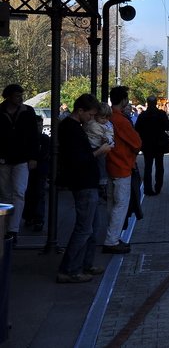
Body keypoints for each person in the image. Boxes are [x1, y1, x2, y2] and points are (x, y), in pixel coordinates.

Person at [57, 93, 111, 283]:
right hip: (83, 182)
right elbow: (78, 159)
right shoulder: (71, 129)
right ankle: (70, 269)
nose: (91, 119)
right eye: (89, 115)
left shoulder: (74, 127)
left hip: (88, 181)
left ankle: (85, 263)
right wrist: (99, 152)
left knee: (92, 227)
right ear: (80, 111)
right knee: (84, 228)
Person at [0, 84, 39, 244]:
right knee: (10, 193)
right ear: (8, 97)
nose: (21, 98)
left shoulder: (27, 112)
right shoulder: (26, 112)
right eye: (18, 96)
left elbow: (33, 136)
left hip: (18, 158)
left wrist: (32, 156)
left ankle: (12, 228)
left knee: (15, 193)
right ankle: (9, 228)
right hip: (9, 157)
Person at [105, 86, 141, 254]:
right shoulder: (121, 120)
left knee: (112, 204)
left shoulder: (106, 118)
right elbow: (136, 142)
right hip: (122, 166)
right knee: (121, 204)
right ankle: (112, 240)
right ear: (124, 100)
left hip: (110, 165)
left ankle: (111, 236)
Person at [135, 96, 169, 196]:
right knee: (159, 166)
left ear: (147, 103)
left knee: (148, 167)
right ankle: (158, 186)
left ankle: (147, 189)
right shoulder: (161, 114)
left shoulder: (143, 115)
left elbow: (137, 129)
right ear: (156, 103)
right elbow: (167, 127)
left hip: (147, 144)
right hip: (159, 143)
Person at [22, 115, 49, 232]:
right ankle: (33, 217)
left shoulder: (43, 138)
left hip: (37, 168)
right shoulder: (40, 138)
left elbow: (45, 153)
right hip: (37, 168)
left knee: (37, 193)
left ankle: (35, 217)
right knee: (32, 193)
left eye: (40, 125)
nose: (39, 127)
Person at [84, 103, 114, 199]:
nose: (104, 120)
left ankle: (102, 182)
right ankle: (101, 182)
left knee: (102, 163)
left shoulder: (108, 125)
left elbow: (111, 135)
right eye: (102, 118)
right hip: (91, 146)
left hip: (100, 146)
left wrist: (107, 139)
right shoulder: (91, 122)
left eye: (107, 118)